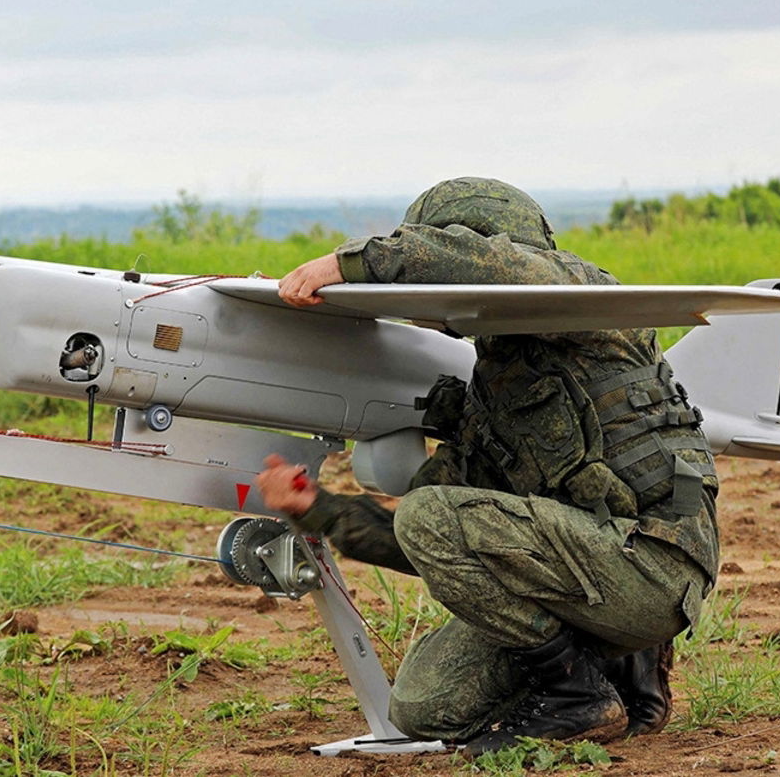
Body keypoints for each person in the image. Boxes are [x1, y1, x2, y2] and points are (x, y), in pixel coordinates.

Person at [254, 177, 719, 754]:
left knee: (429, 515)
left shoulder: (588, 303)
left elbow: (496, 264)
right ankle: (611, 666)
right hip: (585, 577)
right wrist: (317, 509)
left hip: (653, 568)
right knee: (425, 705)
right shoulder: (493, 393)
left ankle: (576, 695)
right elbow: (424, 537)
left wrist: (353, 263)